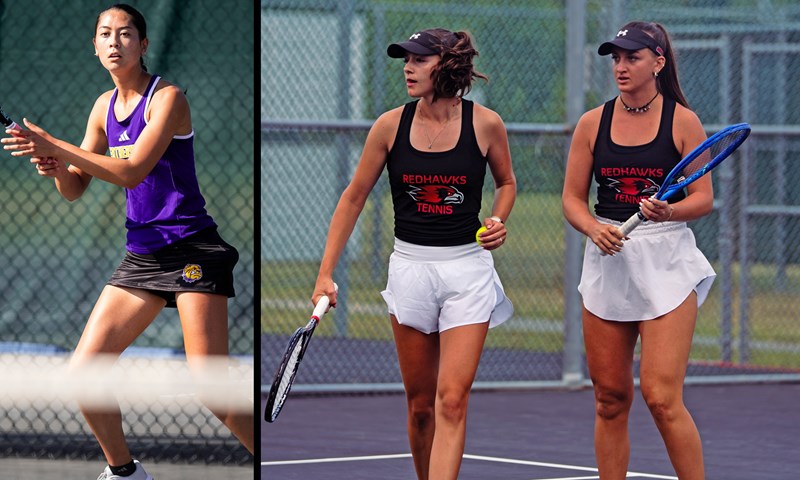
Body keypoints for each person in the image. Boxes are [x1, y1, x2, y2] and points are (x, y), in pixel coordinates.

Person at [2, 4, 253, 479]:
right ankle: (125, 473)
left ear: (143, 44)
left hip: (192, 249)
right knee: (84, 373)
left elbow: (131, 170)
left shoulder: (168, 99)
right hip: (142, 256)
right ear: (95, 47)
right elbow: (75, 189)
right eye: (105, 34)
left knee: (210, 388)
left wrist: (55, 144)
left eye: (125, 33)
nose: (114, 42)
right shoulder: (102, 107)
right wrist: (54, 165)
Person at [312, 28, 515, 480]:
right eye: (406, 58)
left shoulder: (485, 123)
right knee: (421, 407)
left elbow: (507, 183)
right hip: (409, 269)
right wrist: (325, 273)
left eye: (420, 59)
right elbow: (352, 198)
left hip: (467, 271)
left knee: (451, 400)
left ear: (449, 65)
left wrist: (498, 219)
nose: (408, 67)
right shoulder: (389, 125)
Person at [562, 21, 716, 479]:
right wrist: (593, 227)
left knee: (661, 397)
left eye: (633, 57)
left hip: (666, 261)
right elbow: (572, 199)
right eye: (616, 58)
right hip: (608, 257)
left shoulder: (682, 121)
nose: (622, 66)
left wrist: (669, 212)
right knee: (610, 398)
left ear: (658, 62)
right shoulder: (593, 122)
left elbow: (703, 199)